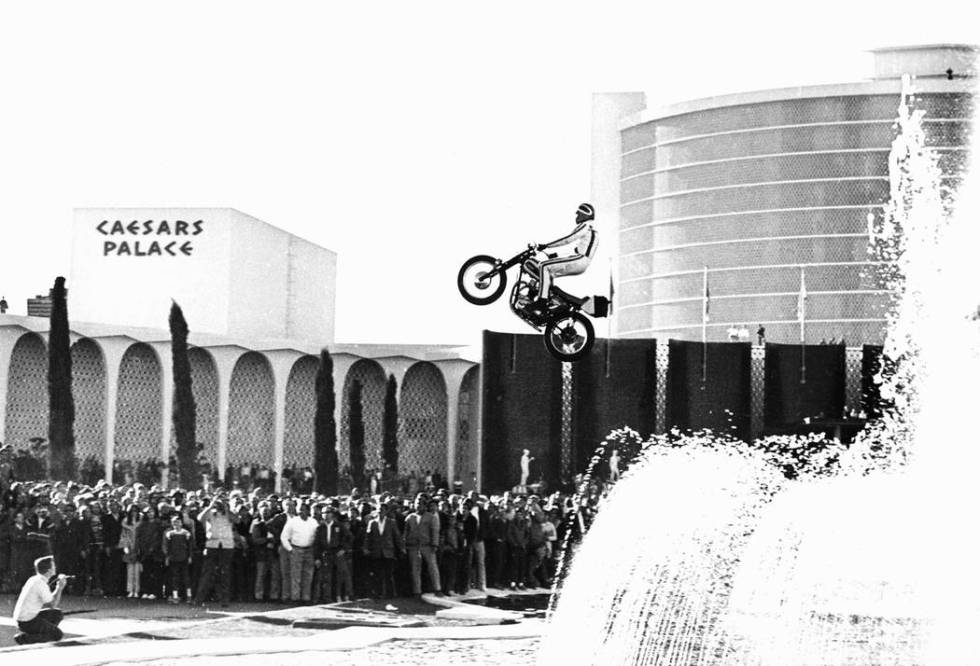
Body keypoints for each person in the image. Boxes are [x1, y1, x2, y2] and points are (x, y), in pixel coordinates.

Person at [530, 202, 598, 312]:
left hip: (580, 260)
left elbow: (568, 239)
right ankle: (550, 300)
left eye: (579, 214)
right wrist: (554, 255)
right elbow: (574, 250)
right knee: (549, 273)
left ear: (585, 214)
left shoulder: (585, 226)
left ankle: (541, 302)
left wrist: (546, 245)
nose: (577, 216)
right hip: (582, 262)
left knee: (543, 266)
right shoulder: (591, 232)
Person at [12, 555, 67, 644]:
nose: (55, 567)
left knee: (57, 614)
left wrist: (58, 588)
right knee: (58, 635)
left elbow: (49, 601)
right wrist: (60, 588)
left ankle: (42, 634)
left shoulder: (34, 579)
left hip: (23, 618)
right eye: (53, 566)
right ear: (49, 570)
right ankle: (25, 638)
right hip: (27, 621)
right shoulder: (40, 584)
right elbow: (53, 604)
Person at [281, 501, 318, 603]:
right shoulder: (293, 521)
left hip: (309, 550)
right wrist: (290, 549)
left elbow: (317, 536)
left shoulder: (313, 522)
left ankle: (306, 598)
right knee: (295, 576)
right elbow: (284, 537)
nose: (303, 512)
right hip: (296, 549)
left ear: (309, 511)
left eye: (305, 510)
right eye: (301, 510)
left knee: (308, 575)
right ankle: (295, 598)